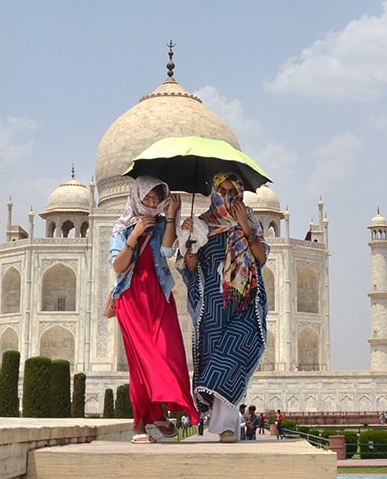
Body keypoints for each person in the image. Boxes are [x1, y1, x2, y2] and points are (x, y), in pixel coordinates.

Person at [178, 171, 269, 444]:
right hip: (214, 306)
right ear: (215, 192)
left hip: (245, 302)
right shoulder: (203, 223)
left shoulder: (249, 220)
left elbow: (261, 258)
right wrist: (190, 246)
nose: (229, 196)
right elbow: (191, 268)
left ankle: (228, 425)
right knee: (217, 364)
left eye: (234, 191)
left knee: (232, 359)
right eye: (224, 191)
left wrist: (245, 226)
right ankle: (229, 424)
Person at [109, 175, 199, 444]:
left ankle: (159, 411)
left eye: (156, 197)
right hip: (131, 298)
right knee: (141, 364)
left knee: (169, 355)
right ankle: (140, 425)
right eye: (146, 197)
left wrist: (171, 216)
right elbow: (118, 267)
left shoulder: (161, 224)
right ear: (136, 196)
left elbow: (168, 253)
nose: (151, 202)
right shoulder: (122, 227)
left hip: (159, 296)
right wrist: (135, 235)